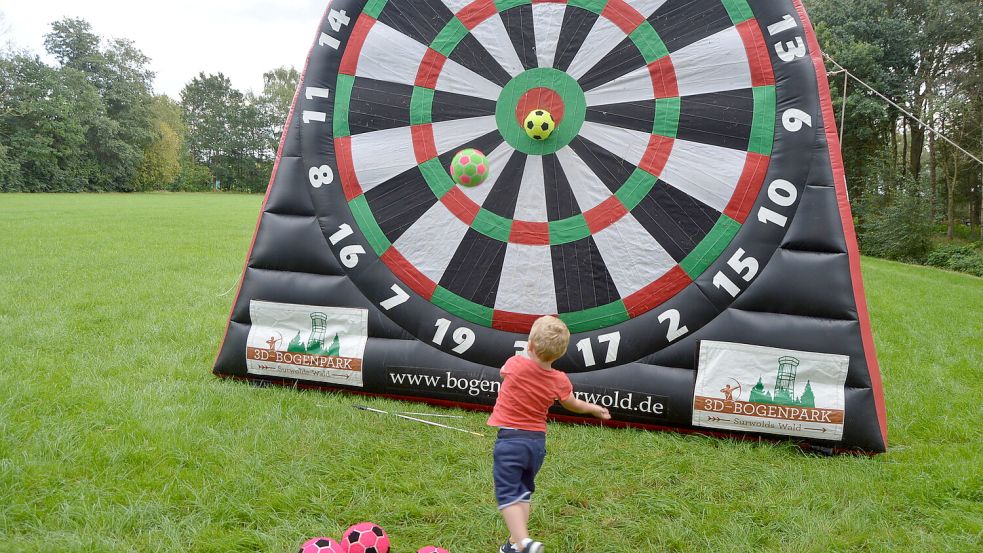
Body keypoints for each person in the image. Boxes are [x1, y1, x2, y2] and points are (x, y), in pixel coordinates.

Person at [488, 316, 611, 553]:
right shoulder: (559, 380)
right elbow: (572, 404)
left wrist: (529, 353)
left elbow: (505, 373)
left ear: (530, 345)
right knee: (523, 492)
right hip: (536, 444)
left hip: (511, 440)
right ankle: (513, 544)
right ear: (560, 353)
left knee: (508, 494)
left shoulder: (514, 364)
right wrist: (595, 408)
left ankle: (523, 542)